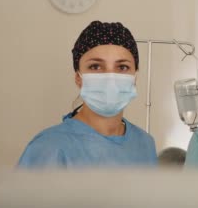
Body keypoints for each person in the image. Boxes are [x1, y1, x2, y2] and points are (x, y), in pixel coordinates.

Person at [18, 21, 157, 168]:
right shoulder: (49, 147)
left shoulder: (145, 145)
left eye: (122, 67)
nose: (110, 78)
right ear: (78, 77)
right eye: (95, 66)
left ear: (135, 77)